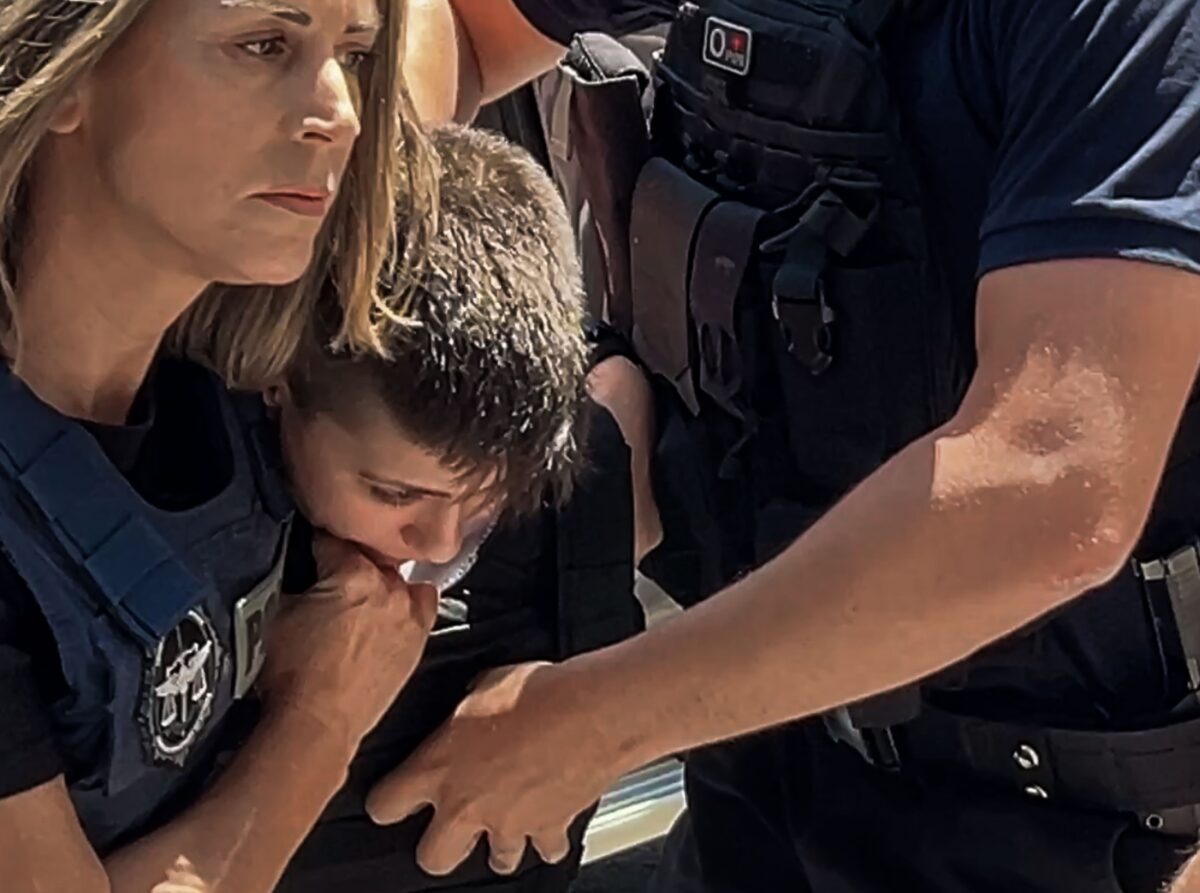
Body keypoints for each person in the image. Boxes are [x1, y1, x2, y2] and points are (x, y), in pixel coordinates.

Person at [370, 1, 1200, 891]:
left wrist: (587, 724)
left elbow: (1052, 489)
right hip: (768, 754)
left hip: (1072, 821)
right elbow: (461, 29)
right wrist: (354, 274)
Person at [0, 1, 441, 891]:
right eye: (264, 45)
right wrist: (320, 722)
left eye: (354, 56)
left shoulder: (239, 389)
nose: (341, 112)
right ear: (70, 66)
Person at [267, 123, 646, 893]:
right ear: (276, 389)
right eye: (395, 493)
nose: (440, 541)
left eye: (485, 497)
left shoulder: (579, 490)